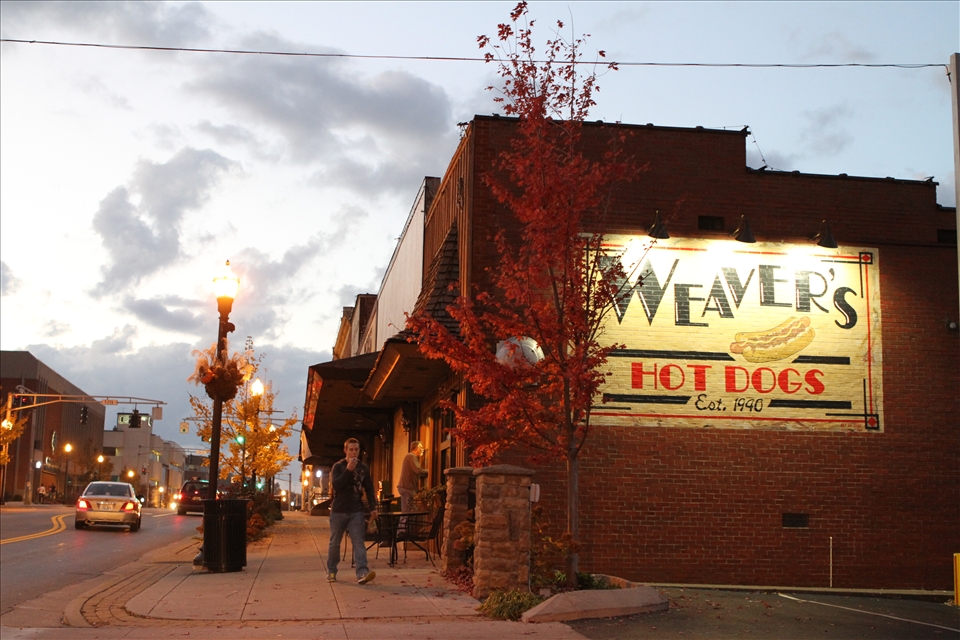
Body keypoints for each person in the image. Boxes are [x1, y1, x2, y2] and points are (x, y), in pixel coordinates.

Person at [327, 438, 377, 584]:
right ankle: (331, 570)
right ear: (345, 451)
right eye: (351, 449)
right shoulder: (338, 467)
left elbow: (369, 488)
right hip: (338, 511)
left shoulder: (363, 468)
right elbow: (336, 485)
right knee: (335, 543)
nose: (354, 452)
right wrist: (348, 470)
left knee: (358, 542)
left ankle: (362, 572)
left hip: (356, 510)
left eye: (356, 449)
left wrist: (373, 507)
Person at [398, 441, 428, 513]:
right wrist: (429, 471)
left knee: (406, 513)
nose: (423, 449)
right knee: (410, 512)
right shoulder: (411, 456)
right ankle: (404, 524)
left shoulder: (410, 456)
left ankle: (402, 524)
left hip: (405, 488)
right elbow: (418, 470)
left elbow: (416, 472)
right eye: (421, 447)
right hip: (407, 488)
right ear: (416, 448)